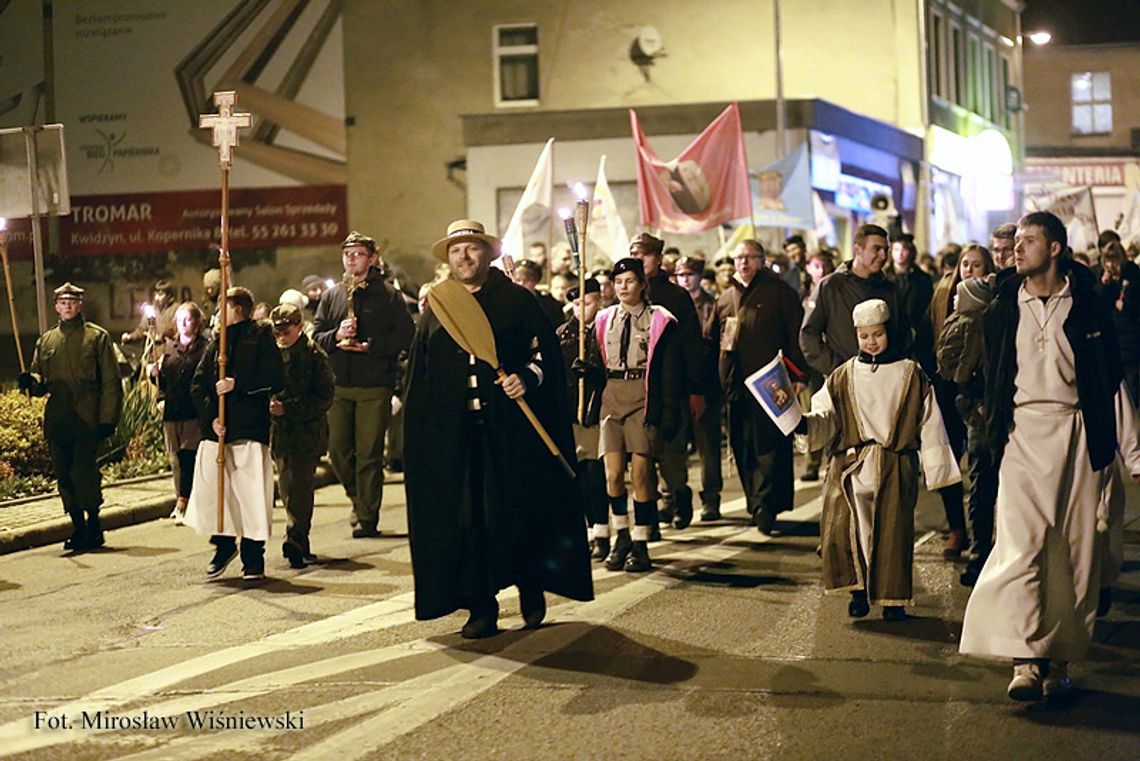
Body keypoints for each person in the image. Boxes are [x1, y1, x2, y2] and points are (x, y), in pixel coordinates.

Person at [959, 211, 1127, 701]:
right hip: (1020, 436)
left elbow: (1109, 383)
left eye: (1030, 240)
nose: (1018, 247)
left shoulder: (1090, 307)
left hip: (1075, 434)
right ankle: (1024, 658)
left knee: (1073, 554)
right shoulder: (1001, 305)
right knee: (1020, 545)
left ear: (1055, 248)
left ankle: (1059, 658)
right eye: (1018, 240)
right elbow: (980, 371)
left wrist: (1130, 452)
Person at [404, 219, 593, 638]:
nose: (464, 256)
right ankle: (480, 605)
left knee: (518, 511)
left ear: (487, 253)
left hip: (511, 432)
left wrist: (526, 377)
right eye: (456, 250)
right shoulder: (436, 309)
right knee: (471, 522)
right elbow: (423, 378)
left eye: (471, 248)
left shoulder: (518, 302)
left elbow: (546, 355)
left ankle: (530, 584)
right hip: (460, 437)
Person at [796, 299, 960, 621]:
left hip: (894, 465)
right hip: (851, 467)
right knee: (852, 531)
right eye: (864, 336)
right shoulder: (842, 376)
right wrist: (800, 422)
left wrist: (935, 468)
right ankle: (858, 590)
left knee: (894, 534)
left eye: (878, 334)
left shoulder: (911, 374)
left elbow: (929, 420)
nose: (871, 342)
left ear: (890, 332)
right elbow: (825, 416)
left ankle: (892, 600)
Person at [314, 231, 415, 538]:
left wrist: (371, 345)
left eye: (358, 253)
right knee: (338, 452)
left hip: (374, 385)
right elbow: (316, 336)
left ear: (372, 259)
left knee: (369, 453)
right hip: (339, 384)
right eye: (347, 254)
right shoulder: (332, 296)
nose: (351, 259)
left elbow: (406, 336)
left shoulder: (388, 295)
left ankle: (368, 516)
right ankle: (358, 501)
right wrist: (336, 337)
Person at [185, 287, 284, 581]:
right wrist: (211, 419)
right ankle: (223, 545)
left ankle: (253, 557)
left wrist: (237, 384)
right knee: (218, 495)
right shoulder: (217, 343)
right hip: (219, 434)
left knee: (250, 497)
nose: (218, 314)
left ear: (238, 309)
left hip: (249, 430)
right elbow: (198, 385)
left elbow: (274, 378)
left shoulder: (261, 337)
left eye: (223, 308)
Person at [592, 257, 684, 570]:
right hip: (612, 396)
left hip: (644, 397)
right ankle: (621, 536)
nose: (623, 287)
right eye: (618, 282)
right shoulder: (603, 319)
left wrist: (668, 411)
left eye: (630, 281)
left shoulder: (661, 319)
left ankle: (641, 541)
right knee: (613, 474)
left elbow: (670, 370)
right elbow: (596, 362)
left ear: (643, 285)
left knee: (642, 473)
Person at [19, 283, 123, 552]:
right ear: (56, 307)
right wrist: (30, 381)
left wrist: (107, 419)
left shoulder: (96, 338)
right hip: (59, 420)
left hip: (87, 419)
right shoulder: (47, 341)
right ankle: (77, 525)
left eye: (72, 301)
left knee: (83, 473)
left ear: (80, 305)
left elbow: (111, 381)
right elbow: (40, 382)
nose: (67, 306)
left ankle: (93, 524)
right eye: (62, 302)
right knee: (64, 475)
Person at [718, 240, 809, 533]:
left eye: (750, 257)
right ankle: (754, 501)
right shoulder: (725, 297)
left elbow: (796, 337)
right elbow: (712, 341)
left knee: (769, 448)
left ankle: (767, 505)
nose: (743, 262)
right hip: (735, 385)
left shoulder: (779, 293)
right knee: (742, 445)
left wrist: (798, 376)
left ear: (762, 260)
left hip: (770, 383)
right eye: (739, 257)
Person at [628, 232, 704, 531]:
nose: (639, 260)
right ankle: (657, 507)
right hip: (636, 388)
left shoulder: (675, 296)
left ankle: (679, 493)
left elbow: (691, 344)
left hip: (671, 385)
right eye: (634, 254)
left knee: (671, 449)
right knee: (643, 452)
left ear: (658, 259)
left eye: (644, 254)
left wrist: (696, 388)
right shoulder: (628, 293)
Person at [936, 261, 1000, 587]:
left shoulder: (970, 325)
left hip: (978, 411)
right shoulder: (989, 321)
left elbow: (955, 371)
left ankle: (980, 554)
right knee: (991, 485)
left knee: (981, 485)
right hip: (987, 410)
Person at [269, 303, 335, 568]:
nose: (282, 336)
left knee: (300, 485)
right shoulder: (272, 356)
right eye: (278, 331)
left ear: (298, 327)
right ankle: (299, 538)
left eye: (286, 330)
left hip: (306, 432)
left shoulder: (313, 356)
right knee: (287, 486)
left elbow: (324, 397)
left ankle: (295, 538)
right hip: (281, 434)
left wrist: (290, 408)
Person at [800, 224, 911, 379]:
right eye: (876, 249)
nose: (883, 256)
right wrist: (837, 369)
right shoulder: (831, 286)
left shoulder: (890, 289)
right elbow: (809, 335)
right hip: (845, 382)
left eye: (886, 250)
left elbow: (903, 334)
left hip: (885, 380)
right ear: (858, 249)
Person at [557, 279, 609, 558]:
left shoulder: (606, 328)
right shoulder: (563, 333)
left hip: (595, 410)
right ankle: (586, 529)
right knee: (576, 475)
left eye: (587, 302)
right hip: (570, 411)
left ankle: (602, 528)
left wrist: (594, 372)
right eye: (576, 303)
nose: (581, 309)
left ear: (599, 301)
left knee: (594, 472)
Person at [674, 256, 723, 520]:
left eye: (689, 274)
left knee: (708, 446)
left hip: (706, 382)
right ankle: (674, 496)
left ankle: (711, 498)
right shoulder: (673, 303)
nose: (685, 279)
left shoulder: (711, 305)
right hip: (679, 384)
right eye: (680, 274)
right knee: (675, 446)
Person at [151, 302, 208, 525]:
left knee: (188, 457)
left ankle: (186, 503)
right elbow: (164, 381)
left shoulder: (204, 348)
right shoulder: (170, 349)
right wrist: (155, 375)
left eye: (189, 318)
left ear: (197, 322)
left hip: (193, 411)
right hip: (172, 411)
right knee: (176, 460)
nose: (185, 322)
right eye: (181, 318)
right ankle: (181, 497)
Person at [1094, 241, 1140, 405]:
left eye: (1114, 260)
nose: (1111, 265)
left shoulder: (1134, 276)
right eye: (1107, 261)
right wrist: (1104, 285)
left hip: (1131, 341)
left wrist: (1126, 302)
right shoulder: (1102, 279)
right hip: (1114, 341)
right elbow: (1098, 304)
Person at [122, 280, 178, 347]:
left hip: (170, 352)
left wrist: (161, 336)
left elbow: (176, 330)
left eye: (160, 294)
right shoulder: (152, 310)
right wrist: (130, 336)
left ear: (169, 296)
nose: (156, 298)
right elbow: (142, 329)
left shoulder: (176, 309)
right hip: (153, 352)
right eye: (155, 294)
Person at [513, 258, 566, 328]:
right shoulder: (508, 304)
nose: (521, 284)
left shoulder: (551, 306)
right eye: (518, 280)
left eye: (527, 280)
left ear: (536, 280)